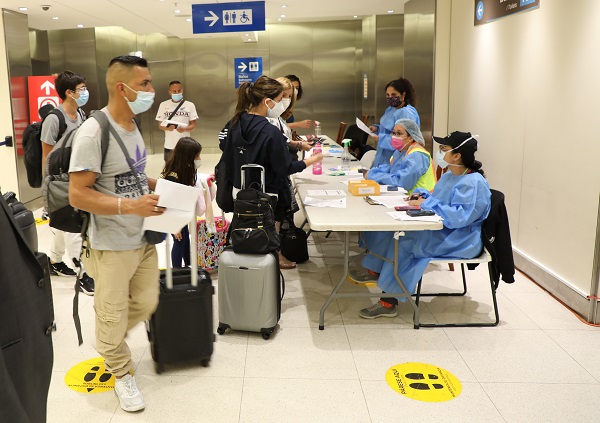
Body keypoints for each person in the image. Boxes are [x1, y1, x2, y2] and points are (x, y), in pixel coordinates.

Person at [69, 55, 164, 412]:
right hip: (111, 243)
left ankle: (109, 340)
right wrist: (130, 207)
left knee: (145, 302)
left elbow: (133, 175)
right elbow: (80, 193)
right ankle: (121, 374)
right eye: (145, 85)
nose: (151, 91)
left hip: (142, 238)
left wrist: (162, 187)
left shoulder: (133, 125)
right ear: (122, 88)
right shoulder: (94, 132)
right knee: (111, 317)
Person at [350, 131, 491, 319]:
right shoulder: (450, 175)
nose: (440, 153)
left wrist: (427, 204)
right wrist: (424, 196)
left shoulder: (473, 182)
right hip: (443, 230)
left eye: (444, 149)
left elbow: (459, 218)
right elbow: (439, 199)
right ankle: (378, 273)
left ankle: (388, 302)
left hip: (461, 238)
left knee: (406, 242)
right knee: (396, 233)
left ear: (457, 155)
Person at [219, 75, 323, 269]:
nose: (280, 105)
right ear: (267, 102)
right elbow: (285, 168)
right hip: (267, 196)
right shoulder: (270, 131)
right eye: (278, 100)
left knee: (243, 229)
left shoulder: (235, 123)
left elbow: (226, 151)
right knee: (267, 236)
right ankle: (271, 262)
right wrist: (312, 160)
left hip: (238, 191)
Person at [354, 119, 437, 285]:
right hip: (403, 198)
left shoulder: (417, 155)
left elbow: (401, 181)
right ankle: (374, 261)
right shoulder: (403, 151)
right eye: (393, 132)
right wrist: (372, 172)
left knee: (384, 226)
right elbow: (389, 169)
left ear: (411, 136)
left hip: (418, 203)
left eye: (399, 133)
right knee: (371, 215)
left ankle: (374, 269)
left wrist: (372, 176)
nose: (394, 136)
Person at [40, 70, 95, 295]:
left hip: (78, 175)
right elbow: (47, 156)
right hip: (61, 182)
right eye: (81, 89)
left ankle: (54, 261)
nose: (85, 92)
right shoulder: (54, 119)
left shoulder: (80, 114)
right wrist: (49, 191)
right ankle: (84, 275)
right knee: (73, 227)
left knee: (63, 224)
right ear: (69, 93)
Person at [161, 136, 203, 268]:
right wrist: (174, 226)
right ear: (188, 156)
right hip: (172, 213)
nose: (199, 159)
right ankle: (177, 272)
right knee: (179, 240)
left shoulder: (184, 169)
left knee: (185, 240)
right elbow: (166, 202)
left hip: (180, 211)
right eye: (197, 156)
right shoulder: (173, 177)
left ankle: (189, 266)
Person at [369, 78, 420, 168]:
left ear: (403, 95)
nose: (390, 98)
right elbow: (387, 128)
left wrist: (381, 139)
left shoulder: (407, 113)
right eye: (387, 95)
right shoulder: (391, 109)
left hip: (396, 159)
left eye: (393, 94)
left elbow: (403, 139)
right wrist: (377, 128)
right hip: (382, 158)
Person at [155, 80, 198, 161]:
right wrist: (168, 128)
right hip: (169, 145)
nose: (177, 93)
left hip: (185, 145)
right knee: (169, 170)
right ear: (169, 92)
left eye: (179, 91)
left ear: (182, 90)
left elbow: (193, 126)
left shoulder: (190, 105)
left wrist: (184, 129)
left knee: (186, 169)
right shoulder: (163, 105)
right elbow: (160, 125)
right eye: (174, 91)